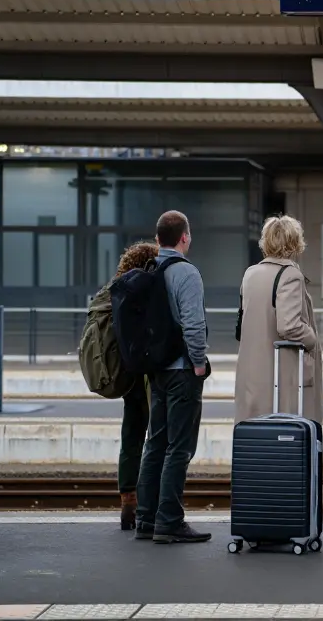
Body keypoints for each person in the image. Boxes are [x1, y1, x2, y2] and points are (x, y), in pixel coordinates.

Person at [134, 210, 211, 544]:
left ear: (157, 240)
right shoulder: (186, 273)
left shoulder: (150, 269)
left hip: (157, 370)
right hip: (181, 371)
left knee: (155, 444)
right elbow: (193, 325)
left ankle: (145, 519)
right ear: (185, 237)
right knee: (179, 449)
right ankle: (169, 521)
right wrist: (198, 363)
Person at [235, 214, 323, 425]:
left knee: (256, 436)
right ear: (294, 242)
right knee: (288, 434)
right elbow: (289, 326)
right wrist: (313, 340)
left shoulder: (250, 274)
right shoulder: (290, 275)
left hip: (252, 372)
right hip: (281, 375)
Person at [113, 241, 158, 531]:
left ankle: (128, 501)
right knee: (157, 436)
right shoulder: (148, 287)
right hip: (150, 371)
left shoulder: (117, 288)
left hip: (127, 370)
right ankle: (152, 506)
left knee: (131, 433)